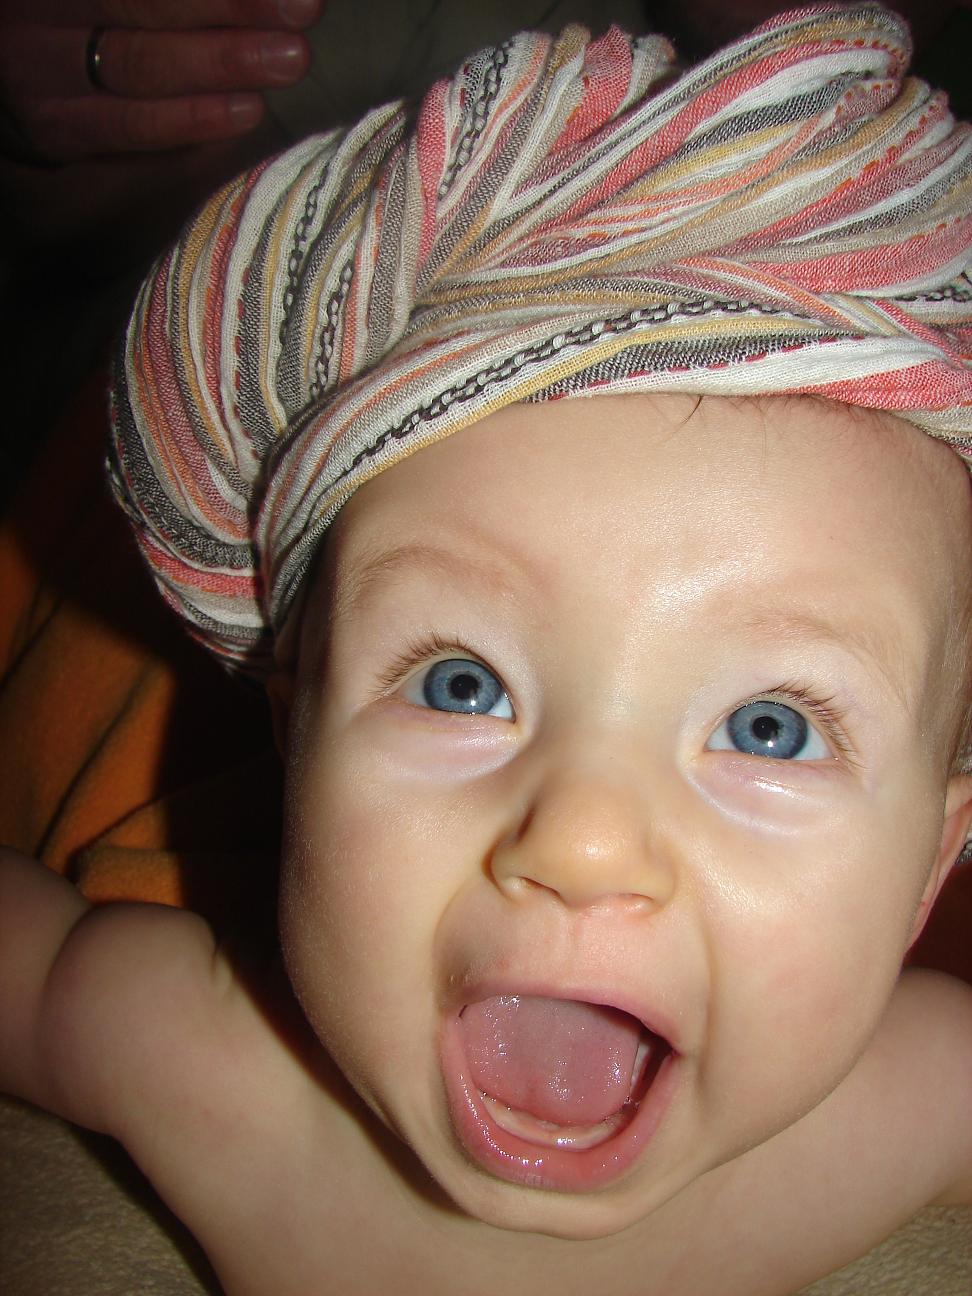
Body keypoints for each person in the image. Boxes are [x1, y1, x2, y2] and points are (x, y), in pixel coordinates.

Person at [2, 5, 972, 1293]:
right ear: (297, 735)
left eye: (770, 727)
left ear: (930, 866)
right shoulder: (201, 1066)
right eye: (462, 685)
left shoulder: (917, 1105)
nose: (582, 842)